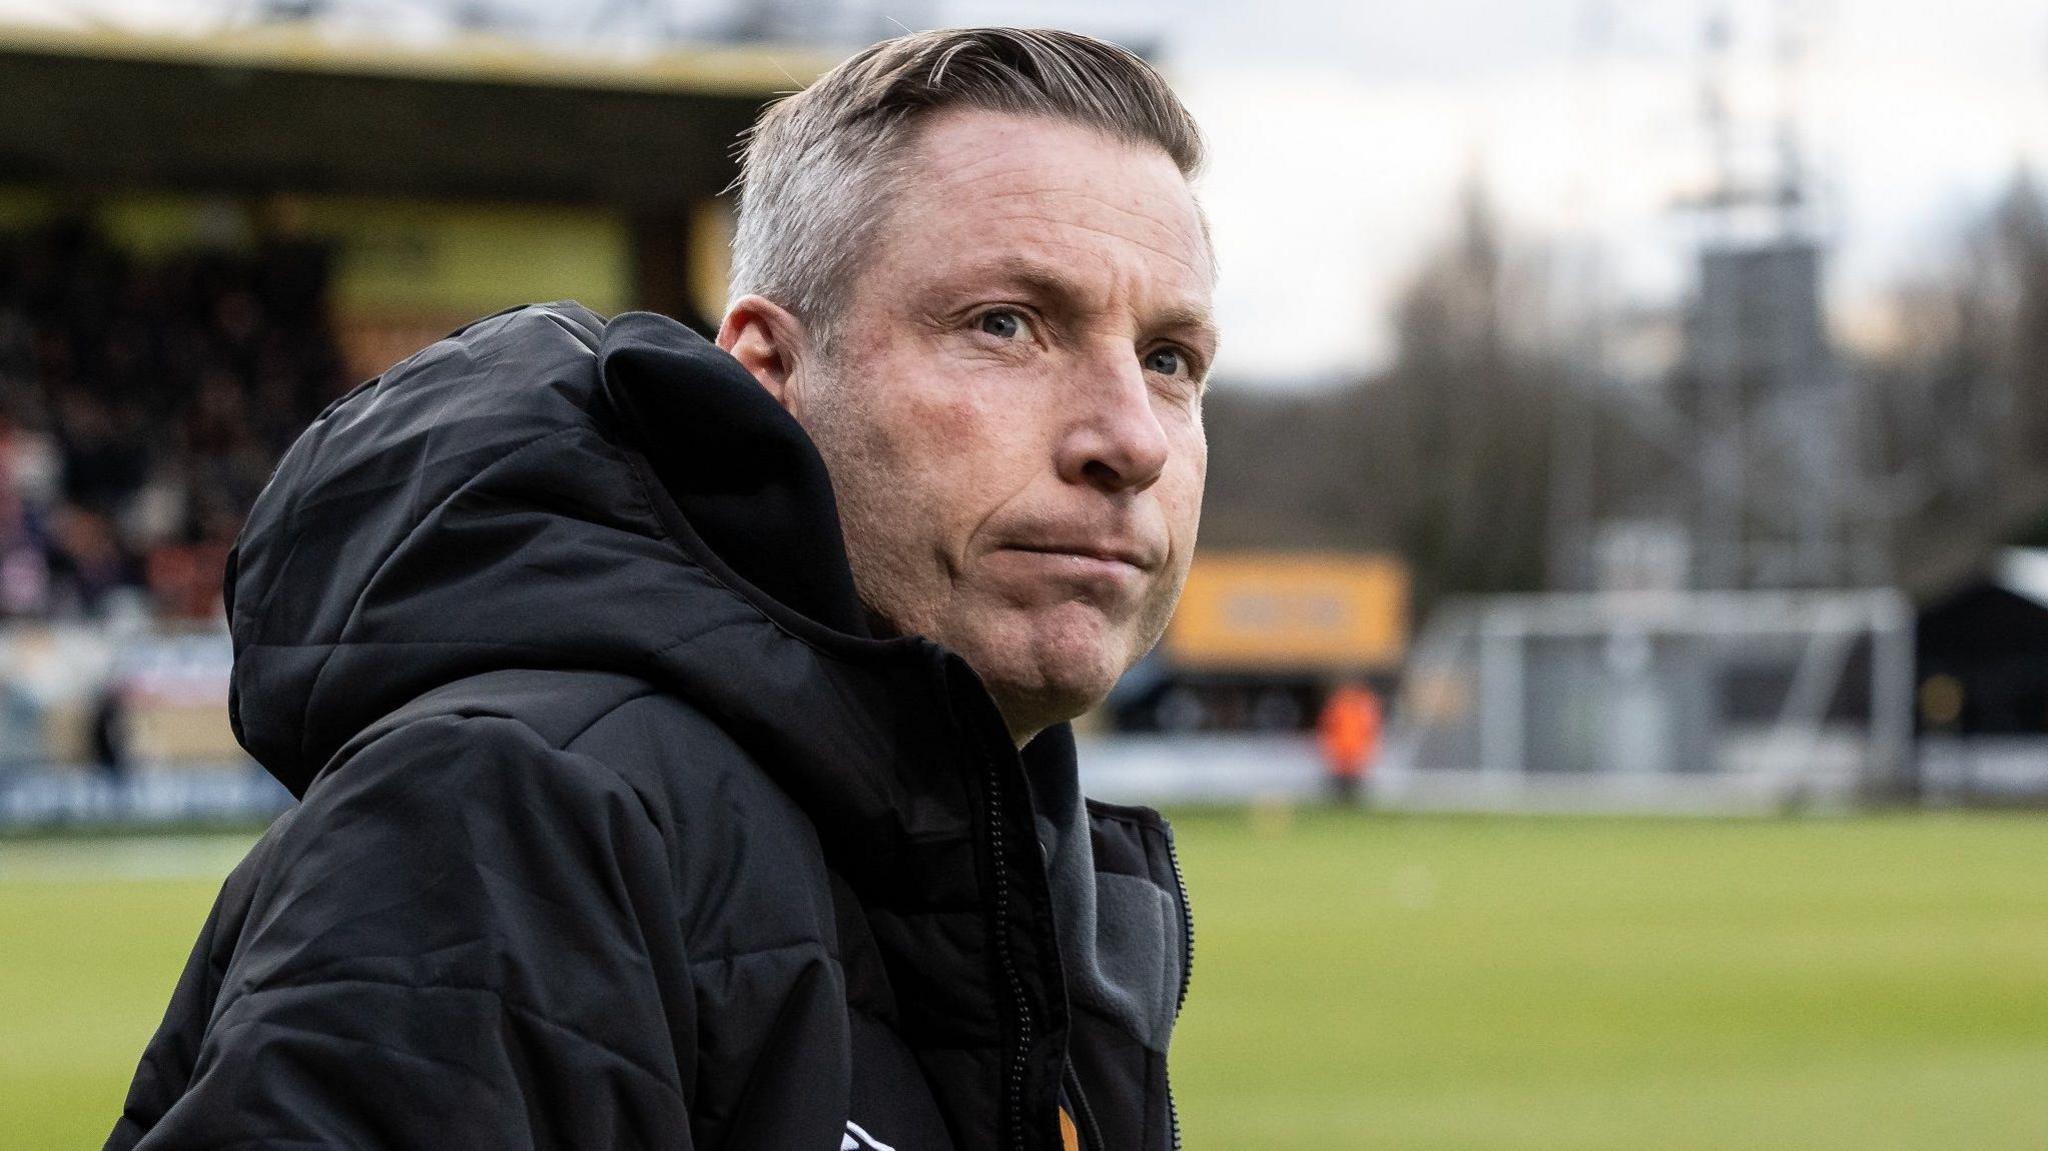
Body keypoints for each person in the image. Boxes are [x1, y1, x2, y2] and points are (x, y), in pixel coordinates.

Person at [108, 27, 1216, 1151]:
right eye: (1005, 324)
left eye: (1169, 357)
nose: (1128, 437)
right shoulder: (515, 814)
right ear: (766, 378)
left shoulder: (1014, 865)